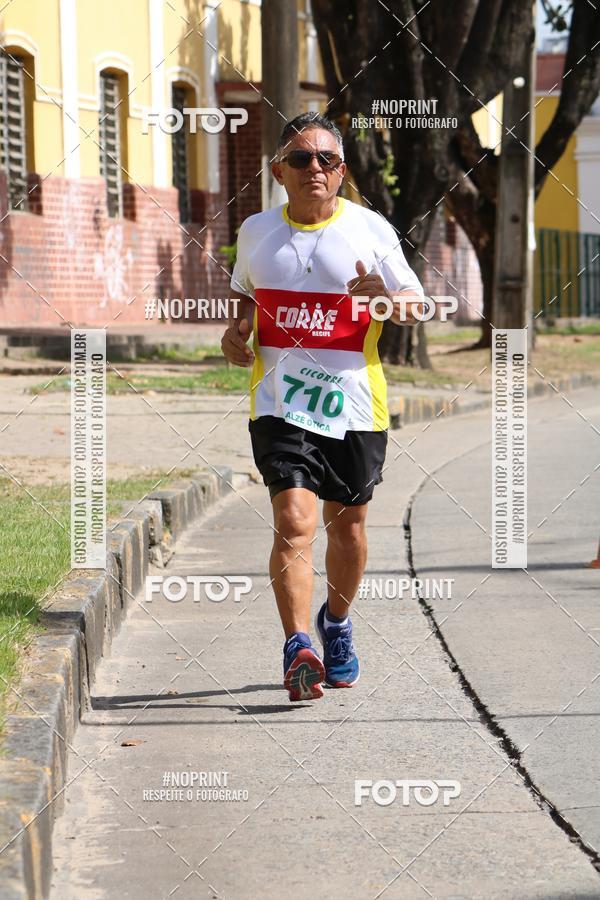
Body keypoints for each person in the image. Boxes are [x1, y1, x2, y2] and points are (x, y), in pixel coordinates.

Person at [221, 112, 424, 701]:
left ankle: (335, 623)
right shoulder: (256, 232)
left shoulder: (370, 230)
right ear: (279, 171)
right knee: (293, 520)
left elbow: (416, 305)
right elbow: (245, 302)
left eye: (327, 159)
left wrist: (387, 299)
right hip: (279, 402)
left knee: (348, 528)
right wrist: (236, 335)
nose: (315, 167)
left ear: (341, 171)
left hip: (353, 404)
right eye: (302, 158)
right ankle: (297, 646)